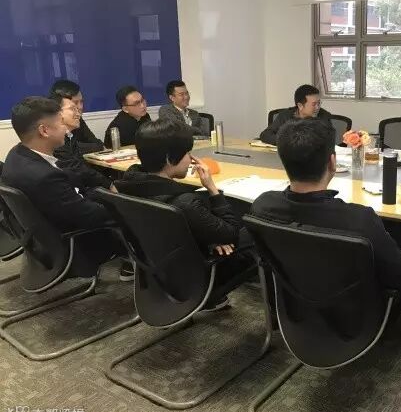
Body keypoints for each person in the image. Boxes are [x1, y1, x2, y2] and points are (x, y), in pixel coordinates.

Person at [251, 118, 401, 357]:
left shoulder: (263, 206)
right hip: (359, 319)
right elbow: (400, 275)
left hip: (296, 309)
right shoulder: (359, 219)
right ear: (332, 162)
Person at [115, 119, 253, 309]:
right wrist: (212, 189)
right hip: (196, 279)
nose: (191, 159)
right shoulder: (184, 203)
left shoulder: (127, 185)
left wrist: (210, 236)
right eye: (187, 153)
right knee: (255, 228)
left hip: (158, 272)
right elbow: (231, 233)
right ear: (169, 158)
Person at [1, 97, 131, 279]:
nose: (66, 129)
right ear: (44, 130)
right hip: (75, 242)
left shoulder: (18, 154)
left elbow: (66, 180)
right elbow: (90, 216)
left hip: (45, 233)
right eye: (61, 123)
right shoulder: (43, 177)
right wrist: (126, 208)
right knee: (137, 212)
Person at [49, 93, 114, 191]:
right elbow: (76, 168)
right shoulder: (55, 141)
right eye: (72, 109)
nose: (78, 114)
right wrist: (109, 185)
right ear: (58, 113)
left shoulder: (70, 136)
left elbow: (81, 165)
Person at [259, 84, 332, 145]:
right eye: (314, 104)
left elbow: (327, 141)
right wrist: (286, 142)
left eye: (319, 103)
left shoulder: (324, 116)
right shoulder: (285, 116)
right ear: (300, 106)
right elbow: (265, 135)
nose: (317, 107)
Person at [49, 79, 104, 154]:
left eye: (81, 102)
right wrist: (76, 147)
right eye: (74, 104)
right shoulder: (50, 128)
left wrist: (76, 147)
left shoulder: (77, 119)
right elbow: (64, 150)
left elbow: (98, 144)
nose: (80, 107)